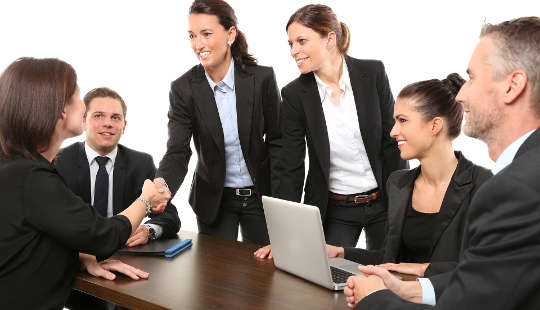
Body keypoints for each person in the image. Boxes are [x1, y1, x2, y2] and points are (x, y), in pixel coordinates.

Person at [344, 16, 540, 309]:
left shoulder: (512, 190)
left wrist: (374, 298)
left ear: (513, 86)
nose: (461, 94)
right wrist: (412, 289)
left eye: (472, 78)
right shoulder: (524, 176)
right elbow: (488, 277)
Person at [0, 57, 170, 310]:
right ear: (59, 110)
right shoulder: (33, 178)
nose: (84, 107)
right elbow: (102, 235)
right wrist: (146, 201)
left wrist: (80, 258)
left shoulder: (16, 168)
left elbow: (31, 242)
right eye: (78, 98)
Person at [254, 4, 407, 259]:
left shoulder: (372, 73)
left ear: (330, 38)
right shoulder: (294, 95)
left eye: (302, 41)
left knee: (390, 272)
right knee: (324, 277)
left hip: (383, 201)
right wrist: (282, 233)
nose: (294, 51)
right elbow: (290, 166)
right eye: (290, 43)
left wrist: (403, 203)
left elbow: (392, 143)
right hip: (336, 208)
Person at [326, 74, 492, 277]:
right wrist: (340, 252)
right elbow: (389, 261)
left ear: (435, 125)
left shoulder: (482, 185)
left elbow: (489, 267)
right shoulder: (399, 183)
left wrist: (423, 269)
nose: (393, 131)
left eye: (402, 121)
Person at [156, 0, 281, 245]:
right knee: (216, 277)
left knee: (266, 275)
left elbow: (279, 140)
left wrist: (282, 197)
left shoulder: (262, 79)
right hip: (213, 199)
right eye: (192, 36)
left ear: (230, 34)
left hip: (261, 197)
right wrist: (161, 186)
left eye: (206, 34)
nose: (198, 44)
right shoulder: (183, 89)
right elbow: (178, 151)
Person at [55, 87, 181, 310]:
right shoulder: (60, 161)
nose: (108, 123)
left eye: (115, 117)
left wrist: (148, 230)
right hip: (78, 266)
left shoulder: (140, 163)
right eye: (98, 116)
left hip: (125, 263)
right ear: (83, 121)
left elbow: (170, 216)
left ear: (124, 125)